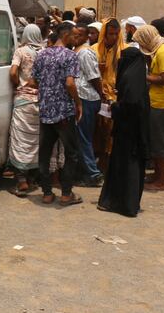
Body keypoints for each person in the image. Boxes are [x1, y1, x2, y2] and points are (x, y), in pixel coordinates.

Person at [30, 22, 82, 206]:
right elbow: (70, 83)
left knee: (44, 153)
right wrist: (78, 102)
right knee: (71, 153)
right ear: (66, 35)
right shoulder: (70, 56)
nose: (76, 39)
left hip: (45, 111)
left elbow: (33, 80)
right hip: (64, 112)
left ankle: (46, 193)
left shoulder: (41, 55)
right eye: (75, 36)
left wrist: (47, 91)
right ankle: (66, 194)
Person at [97, 47, 148, 217]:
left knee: (126, 165)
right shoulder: (137, 77)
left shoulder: (129, 78)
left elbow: (130, 104)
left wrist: (115, 106)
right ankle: (129, 203)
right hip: (136, 130)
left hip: (127, 131)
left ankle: (123, 203)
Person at [133, 25, 164, 191]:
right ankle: (158, 175)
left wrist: (143, 76)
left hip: (163, 104)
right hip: (160, 103)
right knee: (158, 141)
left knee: (161, 142)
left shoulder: (163, 52)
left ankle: (162, 181)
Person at [7, 24, 43, 196]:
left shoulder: (20, 52)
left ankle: (21, 181)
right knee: (34, 141)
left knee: (20, 140)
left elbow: (13, 72)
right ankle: (32, 178)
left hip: (23, 101)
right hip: (40, 101)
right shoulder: (44, 52)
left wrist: (18, 85)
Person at [91, 18, 126, 171]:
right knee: (97, 132)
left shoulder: (124, 51)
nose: (113, 37)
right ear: (104, 34)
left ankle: (109, 164)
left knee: (112, 134)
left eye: (116, 34)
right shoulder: (93, 50)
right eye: (110, 34)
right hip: (96, 96)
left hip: (116, 97)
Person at [73, 23, 104, 186]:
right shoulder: (75, 51)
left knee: (83, 137)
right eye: (74, 34)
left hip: (86, 98)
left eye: (79, 35)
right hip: (80, 98)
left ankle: (93, 174)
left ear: (86, 37)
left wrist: (102, 94)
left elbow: (94, 77)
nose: (75, 37)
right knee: (81, 137)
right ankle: (83, 171)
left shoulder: (85, 53)